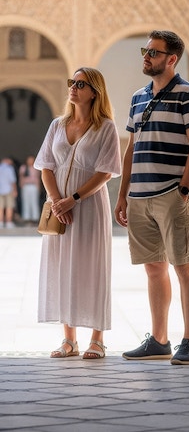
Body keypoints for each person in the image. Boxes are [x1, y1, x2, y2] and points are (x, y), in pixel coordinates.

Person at [115, 30, 189, 365]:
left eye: (153, 52)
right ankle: (159, 339)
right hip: (139, 195)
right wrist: (123, 194)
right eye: (145, 50)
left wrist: (184, 189)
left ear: (171, 59)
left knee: (184, 266)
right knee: (154, 267)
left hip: (172, 195)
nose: (146, 56)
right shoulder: (138, 97)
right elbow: (130, 149)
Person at [34, 68, 121, 360]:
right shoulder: (58, 125)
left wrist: (74, 199)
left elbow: (105, 172)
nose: (73, 87)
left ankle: (97, 338)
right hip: (59, 208)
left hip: (89, 206)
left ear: (94, 91)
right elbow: (46, 165)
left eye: (80, 84)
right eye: (72, 82)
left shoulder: (105, 127)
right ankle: (68, 339)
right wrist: (57, 201)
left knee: (92, 267)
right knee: (62, 267)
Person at [19, 155, 41, 224]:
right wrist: (21, 186)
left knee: (34, 202)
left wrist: (38, 188)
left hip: (34, 186)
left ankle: (35, 218)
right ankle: (27, 218)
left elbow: (38, 178)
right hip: (26, 186)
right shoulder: (23, 167)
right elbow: (21, 177)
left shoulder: (36, 168)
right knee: (26, 202)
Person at [0, 157, 17, 228]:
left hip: (0, 190)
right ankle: (8, 222)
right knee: (9, 206)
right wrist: (15, 190)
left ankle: (0, 222)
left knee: (0, 207)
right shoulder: (9, 168)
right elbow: (12, 181)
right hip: (8, 190)